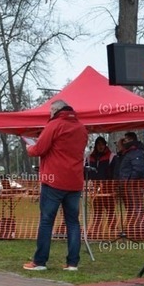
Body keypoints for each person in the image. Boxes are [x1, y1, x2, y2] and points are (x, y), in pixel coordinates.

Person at [23, 100, 88, 271]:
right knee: (73, 222)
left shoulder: (54, 125)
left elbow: (38, 150)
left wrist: (29, 147)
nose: (50, 113)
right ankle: (72, 263)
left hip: (54, 181)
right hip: (74, 181)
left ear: (57, 110)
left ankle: (40, 262)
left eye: (51, 110)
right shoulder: (81, 128)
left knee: (46, 221)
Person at [118, 131, 144, 240]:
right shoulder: (127, 152)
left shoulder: (136, 152)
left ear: (131, 140)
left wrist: (130, 181)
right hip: (128, 184)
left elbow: (138, 169)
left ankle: (140, 231)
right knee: (131, 208)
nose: (124, 141)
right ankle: (133, 230)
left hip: (134, 184)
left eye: (126, 139)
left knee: (137, 207)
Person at [87, 136, 116, 239]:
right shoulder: (90, 158)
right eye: (98, 144)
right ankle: (96, 230)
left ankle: (113, 229)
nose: (100, 146)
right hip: (95, 187)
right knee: (97, 210)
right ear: (96, 145)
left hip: (108, 187)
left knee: (110, 210)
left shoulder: (111, 156)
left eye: (102, 144)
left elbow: (115, 172)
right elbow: (86, 171)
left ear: (105, 145)